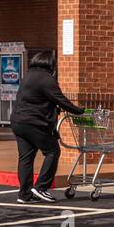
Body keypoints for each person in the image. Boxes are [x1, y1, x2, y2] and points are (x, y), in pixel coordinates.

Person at [10, 50, 85, 205]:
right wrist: (79, 111)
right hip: (34, 123)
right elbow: (60, 100)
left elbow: (38, 99)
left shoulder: (28, 76)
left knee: (26, 158)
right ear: (50, 64)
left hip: (18, 122)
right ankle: (41, 187)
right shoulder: (46, 79)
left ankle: (24, 194)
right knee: (52, 151)